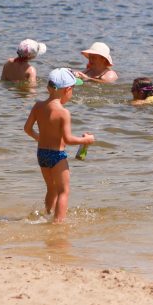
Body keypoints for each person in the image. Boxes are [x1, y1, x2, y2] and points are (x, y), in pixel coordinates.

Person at [23, 68, 95, 223]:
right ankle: (57, 223)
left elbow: (27, 129)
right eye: (73, 90)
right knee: (63, 191)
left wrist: (39, 138)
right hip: (57, 156)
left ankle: (48, 215)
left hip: (41, 154)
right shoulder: (63, 112)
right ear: (67, 90)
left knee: (51, 188)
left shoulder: (38, 106)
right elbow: (68, 139)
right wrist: (85, 141)